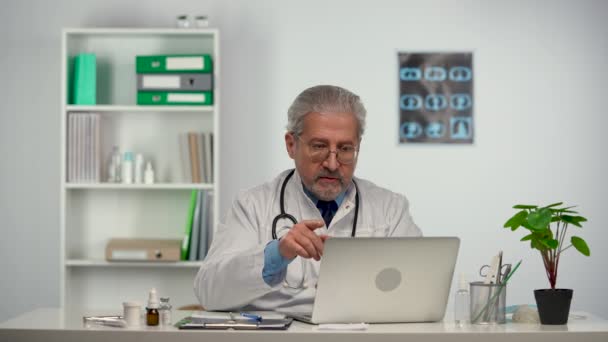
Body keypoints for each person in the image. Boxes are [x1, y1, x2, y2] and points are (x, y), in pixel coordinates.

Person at [194, 85, 421, 312]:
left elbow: (420, 293)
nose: (332, 164)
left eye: (345, 149)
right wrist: (277, 254)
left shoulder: (391, 209)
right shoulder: (252, 206)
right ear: (291, 145)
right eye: (319, 146)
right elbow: (209, 293)